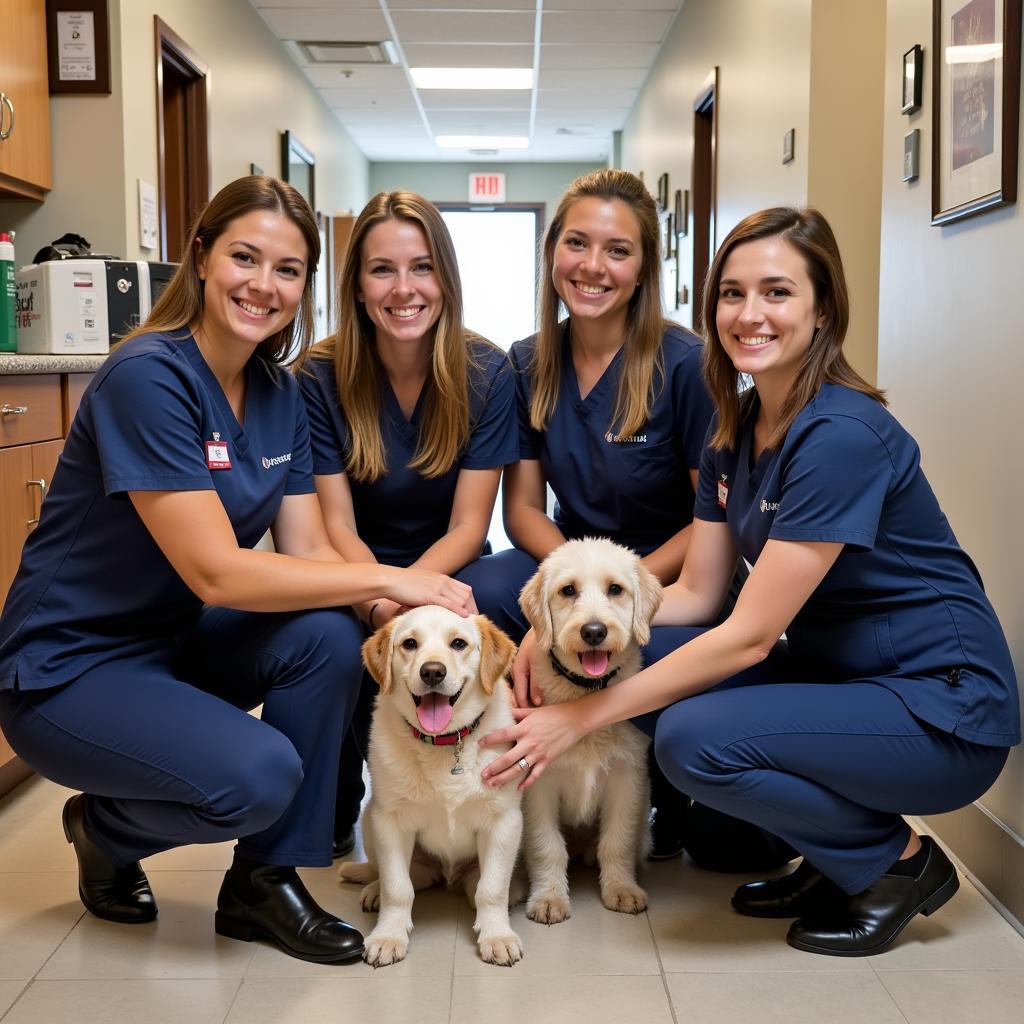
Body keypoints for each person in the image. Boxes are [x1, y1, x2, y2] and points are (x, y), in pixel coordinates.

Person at [479, 206, 1019, 957]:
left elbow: (751, 635)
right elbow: (699, 595)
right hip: (846, 681)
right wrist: (562, 636)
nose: (749, 314)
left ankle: (893, 865)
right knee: (650, 667)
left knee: (692, 737)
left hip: (941, 703)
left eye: (777, 293)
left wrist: (580, 716)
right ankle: (839, 860)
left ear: (823, 308)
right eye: (732, 294)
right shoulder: (736, 429)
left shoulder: (841, 437)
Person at [0, 176, 473, 966]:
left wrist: (390, 616)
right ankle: (103, 830)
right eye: (244, 257)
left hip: (172, 645)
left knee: (327, 633)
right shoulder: (147, 377)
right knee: (259, 776)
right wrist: (394, 580)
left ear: (306, 287)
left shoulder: (279, 393)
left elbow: (311, 550)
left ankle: (260, 883)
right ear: (201, 257)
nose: (264, 284)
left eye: (287, 269)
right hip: (68, 669)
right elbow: (219, 573)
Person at [487, 168, 787, 866]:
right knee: (492, 587)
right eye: (576, 244)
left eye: (617, 250)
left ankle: (656, 784)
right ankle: (517, 784)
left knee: (726, 850)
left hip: (677, 576)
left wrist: (613, 595)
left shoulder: (686, 364)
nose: (593, 267)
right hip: (570, 561)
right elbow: (524, 509)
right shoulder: (530, 361)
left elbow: (711, 518)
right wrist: (566, 593)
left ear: (645, 265)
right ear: (551, 252)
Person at [294, 191, 518, 855]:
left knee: (493, 598)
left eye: (421, 268)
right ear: (357, 287)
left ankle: (490, 796)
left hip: (447, 559)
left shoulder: (487, 371)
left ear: (445, 280)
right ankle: (329, 811)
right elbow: (333, 524)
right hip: (348, 563)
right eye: (382, 270)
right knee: (328, 637)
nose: (404, 289)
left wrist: (411, 601)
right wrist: (381, 604)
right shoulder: (319, 376)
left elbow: (471, 526)